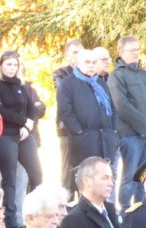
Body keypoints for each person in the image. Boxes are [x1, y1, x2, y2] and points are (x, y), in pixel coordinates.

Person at [0, 51, 43, 228]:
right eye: (8, 64)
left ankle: (39, 214)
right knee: (9, 178)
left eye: (15, 65)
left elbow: (33, 107)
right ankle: (10, 221)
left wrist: (29, 123)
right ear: (0, 65)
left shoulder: (22, 85)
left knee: (37, 175)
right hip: (4, 134)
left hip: (24, 134)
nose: (12, 68)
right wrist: (22, 121)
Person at [108, 36, 146, 211]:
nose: (136, 53)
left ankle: (143, 209)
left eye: (138, 49)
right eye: (132, 50)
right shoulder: (117, 76)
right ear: (121, 52)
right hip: (131, 135)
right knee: (130, 176)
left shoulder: (145, 75)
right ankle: (125, 211)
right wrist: (145, 127)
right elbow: (122, 106)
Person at [57, 49, 119, 191]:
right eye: (87, 62)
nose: (91, 65)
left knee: (105, 181)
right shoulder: (68, 84)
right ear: (78, 63)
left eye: (94, 62)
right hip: (84, 140)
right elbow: (66, 112)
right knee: (86, 182)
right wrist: (80, 132)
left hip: (106, 139)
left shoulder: (101, 84)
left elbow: (112, 109)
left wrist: (114, 131)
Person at [53, 39, 84, 191]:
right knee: (68, 171)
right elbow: (65, 95)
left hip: (86, 129)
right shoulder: (60, 74)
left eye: (80, 52)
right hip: (67, 129)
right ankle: (65, 206)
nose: (78, 56)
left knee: (85, 171)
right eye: (74, 52)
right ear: (67, 55)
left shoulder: (89, 74)